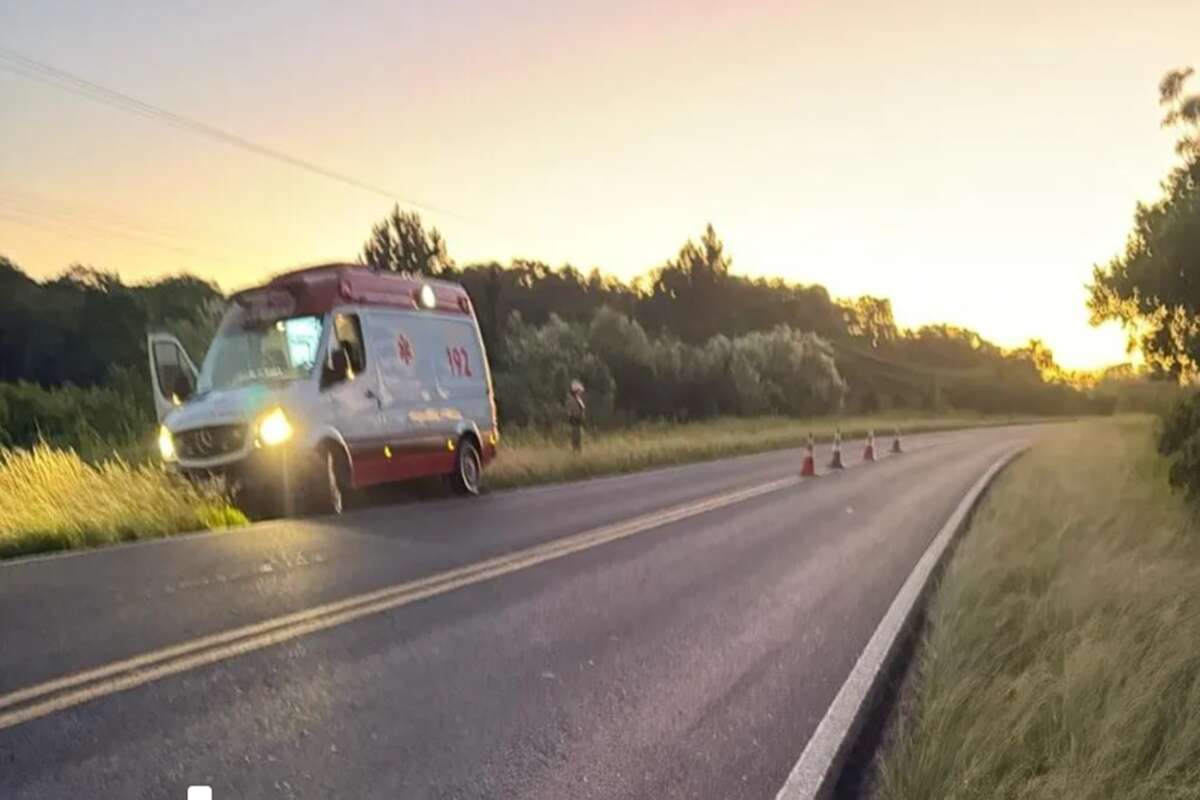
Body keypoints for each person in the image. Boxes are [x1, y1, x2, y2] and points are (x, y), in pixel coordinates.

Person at [566, 379, 586, 452]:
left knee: (578, 438)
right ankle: (576, 452)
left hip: (578, 421)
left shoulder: (578, 399)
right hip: (575, 421)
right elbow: (570, 411)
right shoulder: (571, 399)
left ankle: (577, 452)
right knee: (576, 439)